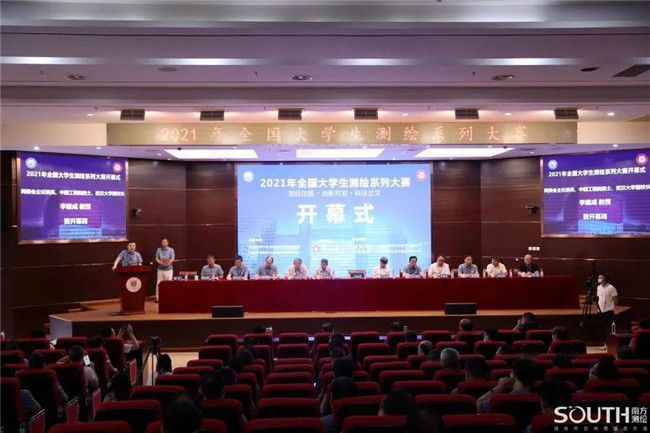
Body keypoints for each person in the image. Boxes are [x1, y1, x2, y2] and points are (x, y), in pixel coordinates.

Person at [596, 272, 618, 350]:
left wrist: (612, 307)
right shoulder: (598, 287)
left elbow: (616, 300)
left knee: (607, 328)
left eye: (601, 277)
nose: (599, 279)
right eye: (599, 277)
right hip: (600, 310)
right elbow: (599, 298)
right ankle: (604, 343)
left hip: (608, 310)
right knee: (602, 328)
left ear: (605, 278)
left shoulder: (611, 287)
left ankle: (609, 344)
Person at [155, 238, 175, 302]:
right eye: (162, 242)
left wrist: (169, 262)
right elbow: (156, 258)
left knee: (169, 283)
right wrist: (160, 262)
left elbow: (172, 258)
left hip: (169, 269)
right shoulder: (158, 250)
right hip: (160, 269)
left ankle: (168, 297)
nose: (163, 243)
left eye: (165, 242)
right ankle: (158, 298)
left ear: (167, 243)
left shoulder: (171, 250)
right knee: (159, 283)